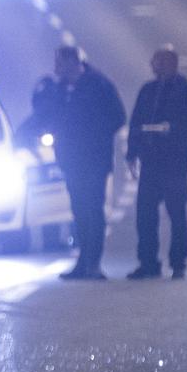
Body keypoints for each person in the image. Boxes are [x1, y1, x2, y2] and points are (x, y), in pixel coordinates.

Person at [33, 45, 125, 280]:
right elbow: (47, 115)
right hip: (71, 160)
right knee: (79, 211)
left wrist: (94, 136)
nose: (56, 68)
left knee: (94, 210)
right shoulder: (60, 89)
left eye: (60, 63)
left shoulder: (98, 85)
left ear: (73, 62)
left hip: (94, 160)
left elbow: (118, 117)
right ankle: (82, 263)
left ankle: (94, 263)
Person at [125, 46, 187, 280]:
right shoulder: (148, 90)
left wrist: (171, 130)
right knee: (146, 215)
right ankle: (148, 262)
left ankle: (178, 262)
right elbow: (136, 122)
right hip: (151, 162)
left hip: (175, 162)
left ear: (171, 64)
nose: (154, 66)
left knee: (177, 214)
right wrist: (132, 153)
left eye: (158, 62)